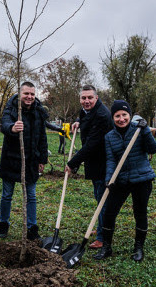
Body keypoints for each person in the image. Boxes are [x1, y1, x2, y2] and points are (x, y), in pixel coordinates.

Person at [93, 100, 156, 261]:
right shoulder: (109, 136)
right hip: (121, 180)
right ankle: (107, 248)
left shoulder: (139, 130)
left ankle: (138, 248)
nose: (121, 118)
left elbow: (153, 149)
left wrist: (146, 131)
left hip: (142, 179)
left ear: (129, 115)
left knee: (140, 213)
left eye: (124, 115)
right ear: (113, 117)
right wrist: (109, 179)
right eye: (117, 116)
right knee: (109, 213)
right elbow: (110, 160)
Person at [0, 81, 48, 240]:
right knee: (7, 195)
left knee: (31, 196)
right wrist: (12, 128)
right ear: (20, 94)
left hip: (31, 160)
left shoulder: (39, 111)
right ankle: (3, 226)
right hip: (11, 159)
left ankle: (32, 228)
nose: (29, 97)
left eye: (32, 94)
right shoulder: (11, 108)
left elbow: (42, 137)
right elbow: (4, 124)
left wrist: (42, 159)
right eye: (26, 93)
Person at [65, 85, 113, 249]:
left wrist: (72, 163)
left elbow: (92, 144)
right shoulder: (87, 111)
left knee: (102, 199)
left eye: (89, 98)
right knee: (98, 195)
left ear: (96, 98)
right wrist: (77, 121)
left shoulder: (101, 115)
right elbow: (83, 116)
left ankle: (102, 237)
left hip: (104, 161)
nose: (86, 101)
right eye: (83, 98)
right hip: (94, 161)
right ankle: (100, 227)